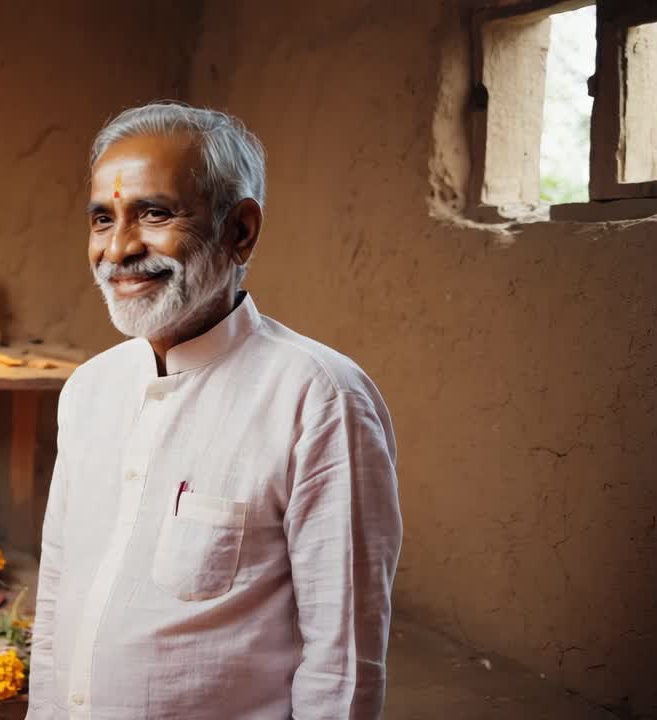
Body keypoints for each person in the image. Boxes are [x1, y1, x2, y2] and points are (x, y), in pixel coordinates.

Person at [29, 102, 402, 719]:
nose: (119, 248)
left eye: (154, 213)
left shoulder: (318, 397)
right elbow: (59, 595)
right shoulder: (89, 389)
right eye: (102, 218)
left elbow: (342, 663)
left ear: (240, 230)